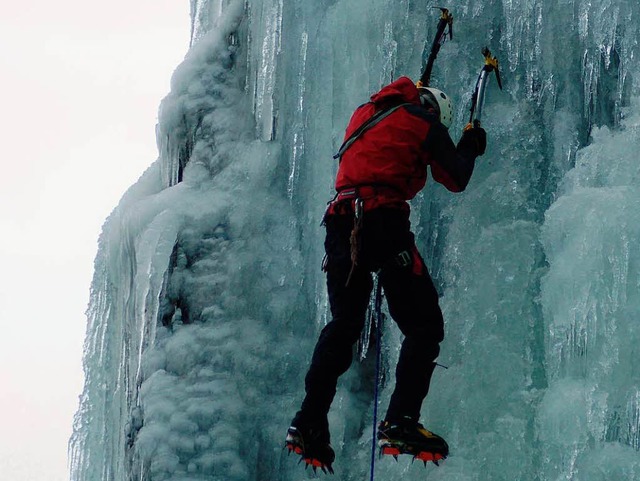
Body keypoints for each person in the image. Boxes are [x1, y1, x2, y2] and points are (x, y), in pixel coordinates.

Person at [285, 76, 486, 472]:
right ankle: (400, 421)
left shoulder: (366, 112)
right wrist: (471, 143)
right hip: (381, 222)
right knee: (424, 327)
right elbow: (456, 177)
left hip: (341, 222)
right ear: (433, 111)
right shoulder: (424, 122)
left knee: (344, 324)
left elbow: (387, 147)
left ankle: (309, 421)